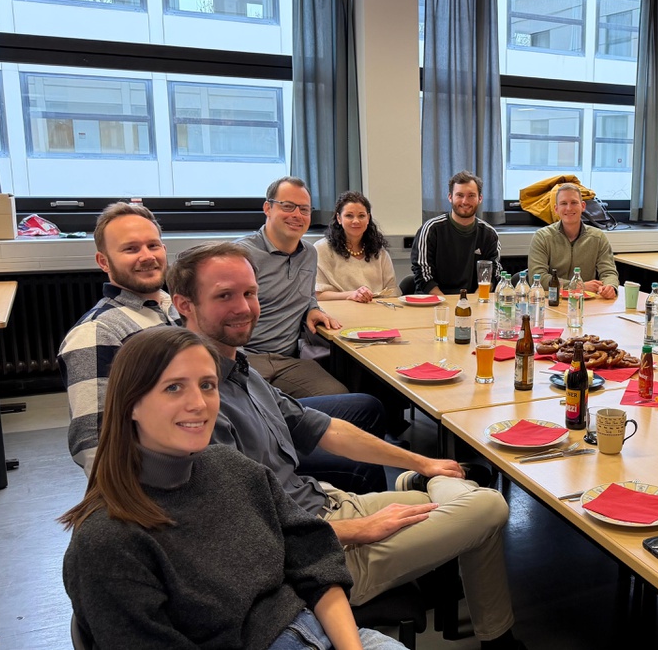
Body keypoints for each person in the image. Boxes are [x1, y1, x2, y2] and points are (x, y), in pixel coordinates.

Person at [165, 244, 524, 649]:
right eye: (224, 296)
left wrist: (423, 462)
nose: (245, 307)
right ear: (184, 305)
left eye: (250, 293)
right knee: (488, 506)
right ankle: (424, 491)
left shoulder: (242, 370)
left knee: (470, 497)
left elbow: (326, 429)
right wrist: (359, 529)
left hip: (324, 504)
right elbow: (244, 535)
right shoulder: (195, 407)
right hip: (311, 555)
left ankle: (496, 638)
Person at [60, 326, 403, 650]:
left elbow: (316, 562)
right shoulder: (108, 541)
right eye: (173, 387)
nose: (199, 403)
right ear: (131, 403)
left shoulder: (233, 468)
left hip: (326, 632)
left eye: (207, 385)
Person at [60, 202, 176, 476]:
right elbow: (93, 443)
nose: (147, 256)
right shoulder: (97, 332)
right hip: (159, 478)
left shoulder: (176, 308)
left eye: (153, 245)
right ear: (103, 262)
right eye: (131, 249)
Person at [235, 176, 347, 399]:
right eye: (288, 206)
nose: (297, 215)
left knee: (342, 399)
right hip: (245, 357)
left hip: (288, 360)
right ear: (267, 208)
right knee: (250, 408)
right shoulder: (241, 255)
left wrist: (312, 308)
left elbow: (307, 293)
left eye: (304, 209)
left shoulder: (309, 253)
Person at [411, 170, 502, 295]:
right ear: (450, 197)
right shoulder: (431, 229)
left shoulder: (489, 235)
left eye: (471, 196)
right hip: (434, 301)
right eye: (460, 195)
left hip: (473, 301)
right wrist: (447, 303)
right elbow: (422, 273)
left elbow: (493, 275)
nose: (465, 201)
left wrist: (476, 301)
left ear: (480, 198)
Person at [527, 183, 619, 298]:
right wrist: (578, 286)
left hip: (586, 303)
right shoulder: (542, 237)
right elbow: (538, 278)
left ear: (583, 206)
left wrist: (610, 286)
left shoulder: (598, 237)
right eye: (563, 203)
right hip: (552, 301)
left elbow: (608, 272)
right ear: (556, 209)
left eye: (574, 202)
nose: (569, 208)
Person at [315, 191, 399, 303]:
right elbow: (317, 295)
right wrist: (351, 295)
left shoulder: (379, 252)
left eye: (361, 216)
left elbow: (392, 292)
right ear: (339, 218)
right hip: (338, 311)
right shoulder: (321, 249)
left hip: (375, 310)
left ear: (368, 218)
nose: (356, 221)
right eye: (349, 216)